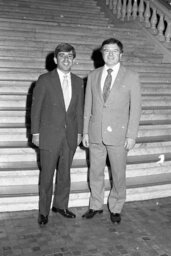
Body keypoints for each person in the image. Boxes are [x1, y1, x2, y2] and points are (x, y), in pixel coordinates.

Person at [82, 38, 141, 224]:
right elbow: (88, 106)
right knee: (95, 171)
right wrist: (85, 132)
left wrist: (131, 135)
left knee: (118, 173)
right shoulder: (93, 75)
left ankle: (116, 207)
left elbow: (136, 108)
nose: (110, 54)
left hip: (119, 135)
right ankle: (95, 205)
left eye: (114, 51)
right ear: (101, 53)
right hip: (95, 133)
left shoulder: (131, 76)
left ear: (121, 54)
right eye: (106, 50)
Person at [31, 43, 84, 225]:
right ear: (55, 59)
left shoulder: (78, 82)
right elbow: (35, 109)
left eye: (69, 56)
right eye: (62, 56)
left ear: (74, 60)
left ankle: (60, 205)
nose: (66, 59)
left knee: (65, 173)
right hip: (49, 136)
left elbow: (79, 111)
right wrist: (35, 133)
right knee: (47, 175)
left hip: (69, 136)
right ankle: (43, 211)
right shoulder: (45, 79)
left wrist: (79, 133)